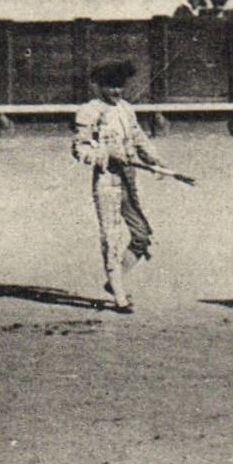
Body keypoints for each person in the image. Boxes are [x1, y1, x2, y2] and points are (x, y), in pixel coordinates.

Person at [71, 60, 163, 313]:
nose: (116, 91)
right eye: (111, 86)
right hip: (106, 180)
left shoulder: (126, 109)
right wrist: (106, 153)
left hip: (128, 179)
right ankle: (119, 295)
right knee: (111, 237)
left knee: (142, 235)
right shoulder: (89, 111)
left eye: (119, 86)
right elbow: (79, 148)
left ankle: (115, 282)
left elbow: (138, 138)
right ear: (97, 86)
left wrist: (155, 160)